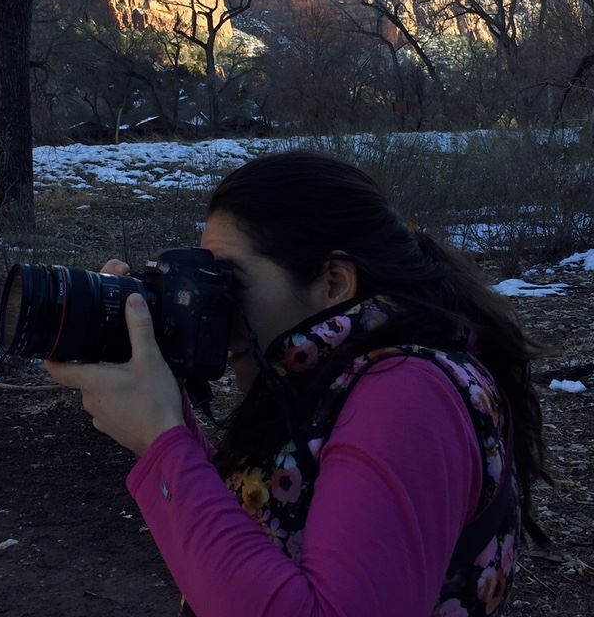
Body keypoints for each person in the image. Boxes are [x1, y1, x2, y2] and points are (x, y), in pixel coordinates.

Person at [46, 151, 547, 616]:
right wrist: (163, 415)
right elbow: (260, 548)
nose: (215, 310)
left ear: (333, 283)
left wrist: (161, 443)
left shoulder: (408, 394)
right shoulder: (338, 371)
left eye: (230, 283)